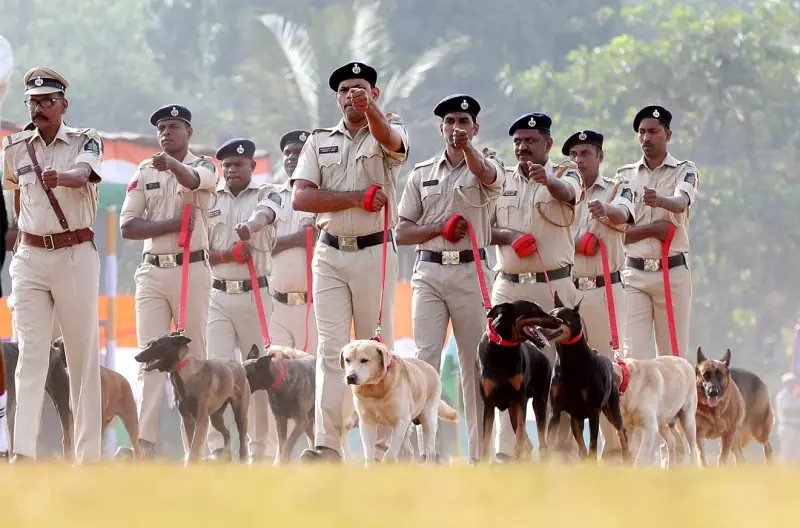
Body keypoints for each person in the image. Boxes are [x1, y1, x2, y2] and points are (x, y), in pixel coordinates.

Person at [291, 61, 409, 462]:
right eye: (343, 91)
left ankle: (383, 449)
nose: (350, 96)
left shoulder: (388, 129)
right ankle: (327, 445)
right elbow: (302, 198)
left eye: (359, 88)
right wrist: (356, 197)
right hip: (329, 251)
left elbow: (390, 140)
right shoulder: (319, 140)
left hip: (374, 250)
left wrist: (371, 111)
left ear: (375, 94)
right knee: (330, 351)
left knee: (380, 349)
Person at [2, 67, 103, 463]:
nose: (39, 108)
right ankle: (22, 454)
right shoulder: (14, 147)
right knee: (30, 353)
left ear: (64, 104)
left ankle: (88, 456)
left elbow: (85, 173)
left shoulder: (85, 140)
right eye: (33, 102)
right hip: (29, 257)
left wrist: (63, 176)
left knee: (80, 355)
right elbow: (14, 196)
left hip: (74, 253)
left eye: (47, 102)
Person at [397, 94, 504, 462]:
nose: (456, 128)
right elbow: (402, 232)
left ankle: (478, 455)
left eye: (463, 121)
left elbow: (487, 176)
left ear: (475, 128)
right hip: (428, 271)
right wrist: (437, 228)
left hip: (471, 271)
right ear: (440, 128)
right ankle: (422, 454)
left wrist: (469, 149)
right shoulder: (421, 173)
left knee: (474, 363)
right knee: (424, 362)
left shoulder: (487, 165)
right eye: (450, 122)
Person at [120, 104, 218, 458]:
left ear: (188, 132)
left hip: (190, 268)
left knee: (193, 358)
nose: (166, 132)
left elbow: (194, 180)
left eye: (174, 126)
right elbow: (128, 226)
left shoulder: (205, 164)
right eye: (161, 127)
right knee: (148, 357)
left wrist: (174, 165)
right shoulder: (145, 170)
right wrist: (171, 225)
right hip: (152, 270)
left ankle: (198, 444)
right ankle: (141, 444)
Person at [489, 112, 583, 461]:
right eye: (518, 141)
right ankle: (507, 451)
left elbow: (569, 192)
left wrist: (548, 181)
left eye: (530, 141)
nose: (523, 147)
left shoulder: (565, 171)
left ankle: (560, 451)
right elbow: (485, 228)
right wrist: (510, 237)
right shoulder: (499, 179)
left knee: (557, 370)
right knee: (501, 368)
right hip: (508, 289)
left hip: (551, 290)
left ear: (548, 144)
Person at [205, 138, 282, 462]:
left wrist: (250, 227)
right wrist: (227, 253)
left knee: (258, 378)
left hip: (256, 295)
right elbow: (198, 250)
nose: (232, 170)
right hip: (218, 296)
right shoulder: (209, 199)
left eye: (239, 164)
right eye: (227, 166)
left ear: (253, 165)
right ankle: (217, 448)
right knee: (217, 374)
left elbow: (267, 213)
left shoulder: (267, 193)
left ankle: (260, 451)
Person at [564, 129, 634, 459]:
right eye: (574, 155)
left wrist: (605, 211)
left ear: (600, 157)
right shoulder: (562, 192)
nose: (579, 161)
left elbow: (624, 214)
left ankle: (613, 451)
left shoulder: (620, 188)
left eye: (586, 154)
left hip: (604, 289)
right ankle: (566, 451)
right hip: (568, 291)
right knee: (564, 371)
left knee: (605, 370)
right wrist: (577, 245)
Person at [619, 105, 697, 359]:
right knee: (632, 357)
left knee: (673, 357)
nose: (646, 138)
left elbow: (681, 202)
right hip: (634, 275)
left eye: (653, 131)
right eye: (641, 132)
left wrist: (660, 201)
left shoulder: (685, 170)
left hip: (671, 273)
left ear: (668, 135)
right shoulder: (624, 176)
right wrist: (655, 229)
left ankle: (675, 401)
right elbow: (621, 230)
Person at [269, 130, 317, 357]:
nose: (291, 157)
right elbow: (261, 245)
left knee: (315, 370)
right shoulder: (271, 198)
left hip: (316, 305)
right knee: (280, 372)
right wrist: (297, 239)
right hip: (277, 303)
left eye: (298, 152)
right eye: (287, 153)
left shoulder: (324, 197)